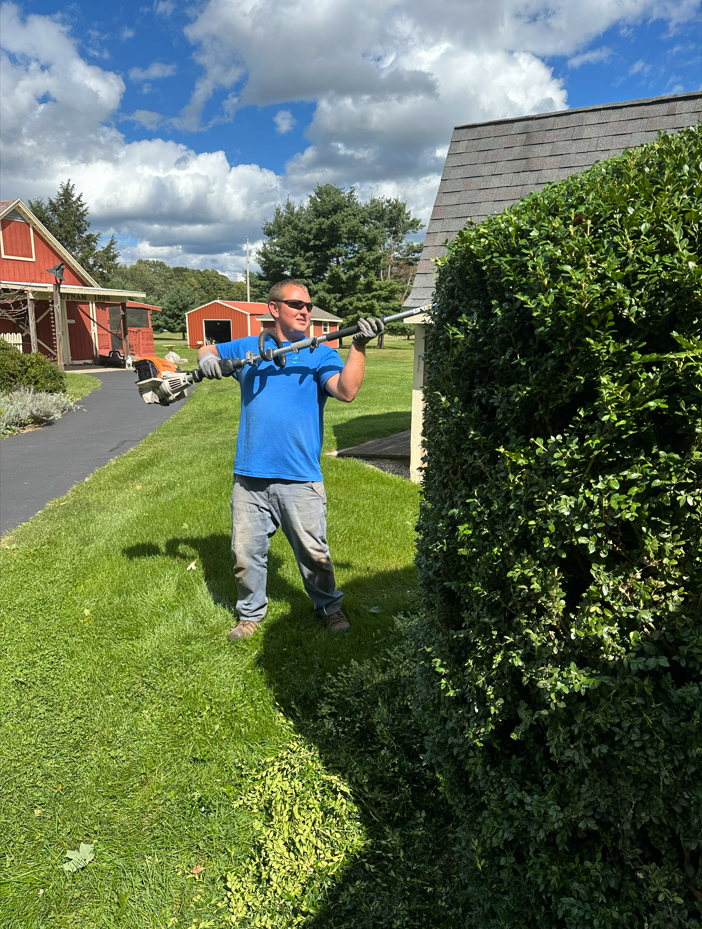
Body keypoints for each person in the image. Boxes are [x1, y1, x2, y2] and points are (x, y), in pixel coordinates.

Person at [197, 279, 384, 641]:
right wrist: (208, 361)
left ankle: (329, 607)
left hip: (300, 476)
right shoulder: (249, 348)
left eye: (308, 306)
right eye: (297, 304)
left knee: (314, 554)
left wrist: (358, 346)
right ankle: (250, 615)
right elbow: (208, 349)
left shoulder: (320, 353)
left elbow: (346, 391)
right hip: (250, 476)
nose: (305, 311)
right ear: (273, 308)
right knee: (245, 553)